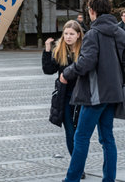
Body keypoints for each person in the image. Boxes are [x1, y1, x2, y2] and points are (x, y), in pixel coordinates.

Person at [60, 0, 125, 182]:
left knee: (81, 138)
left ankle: (71, 179)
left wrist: (67, 73)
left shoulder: (93, 34)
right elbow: (124, 64)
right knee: (107, 138)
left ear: (92, 11)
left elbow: (85, 63)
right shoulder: (120, 33)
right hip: (113, 93)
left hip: (95, 94)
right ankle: (109, 179)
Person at [42, 20, 84, 176]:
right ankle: (77, 167)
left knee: (80, 133)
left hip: (82, 97)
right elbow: (48, 70)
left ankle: (77, 166)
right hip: (64, 97)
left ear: (78, 35)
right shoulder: (59, 49)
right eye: (66, 33)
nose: (68, 37)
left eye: (71, 34)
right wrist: (47, 49)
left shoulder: (85, 50)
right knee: (70, 132)